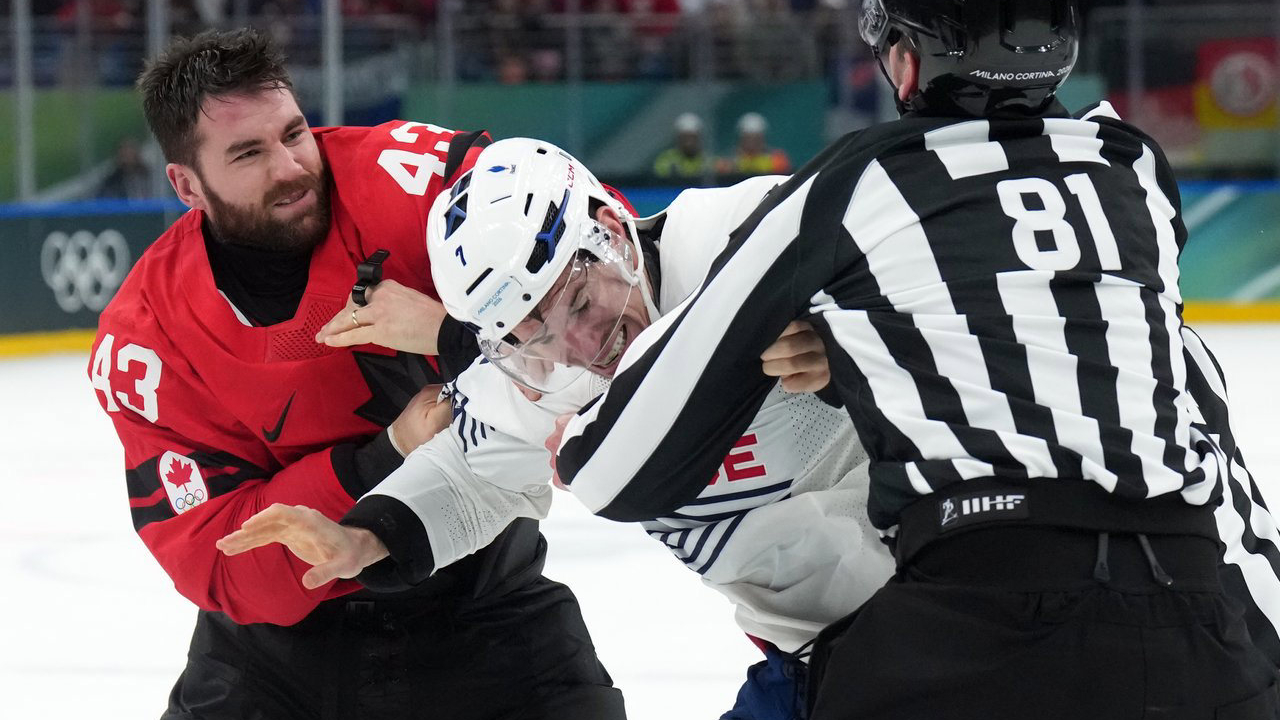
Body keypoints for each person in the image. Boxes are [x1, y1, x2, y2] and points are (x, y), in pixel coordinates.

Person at [549, 1, 1280, 718]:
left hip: (978, 621)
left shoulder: (854, 183)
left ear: (905, 61)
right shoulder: (1136, 169)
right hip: (1198, 624)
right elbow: (1178, 395)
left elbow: (619, 471)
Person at [216, 137, 898, 720]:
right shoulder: (543, 377)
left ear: (609, 225)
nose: (581, 347)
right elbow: (467, 471)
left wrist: (851, 346)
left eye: (578, 301)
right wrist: (362, 536)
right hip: (815, 663)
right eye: (533, 335)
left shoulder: (757, 234)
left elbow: (972, 297)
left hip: (958, 603)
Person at [89, 28, 625, 719]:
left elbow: (614, 274)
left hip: (484, 599)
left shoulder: (418, 185)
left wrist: (451, 331)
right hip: (272, 659)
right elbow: (220, 560)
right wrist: (384, 455)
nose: (289, 167)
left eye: (293, 133)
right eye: (248, 153)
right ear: (187, 185)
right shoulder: (149, 336)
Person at [717, 112, 790, 177]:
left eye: (756, 137)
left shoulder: (777, 159)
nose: (752, 142)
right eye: (748, 137)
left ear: (762, 138)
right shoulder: (727, 162)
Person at [653, 112, 713, 180]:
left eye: (692, 137)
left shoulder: (707, 161)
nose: (689, 142)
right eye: (685, 137)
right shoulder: (665, 160)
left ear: (699, 139)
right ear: (678, 138)